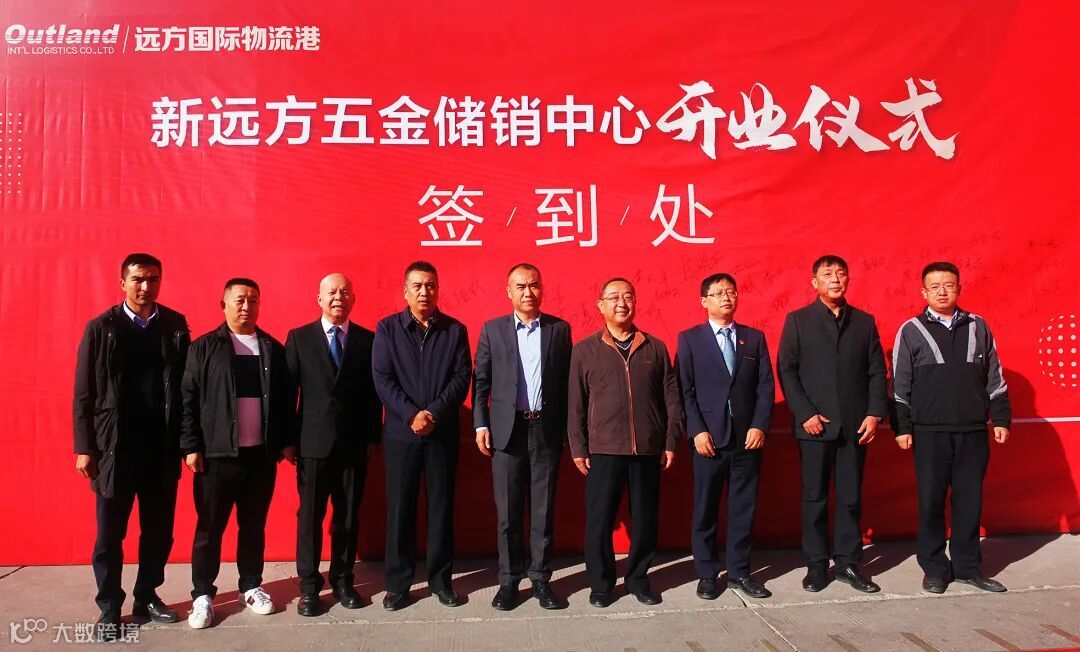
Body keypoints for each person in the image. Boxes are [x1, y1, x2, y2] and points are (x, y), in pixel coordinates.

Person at [73, 253, 189, 639]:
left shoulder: (174, 325)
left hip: (160, 449)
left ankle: (147, 596)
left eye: (153, 279)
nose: (145, 286)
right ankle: (109, 607)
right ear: (123, 282)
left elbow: (187, 389)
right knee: (110, 536)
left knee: (158, 532)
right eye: (138, 279)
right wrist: (84, 446)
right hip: (114, 451)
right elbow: (84, 392)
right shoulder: (102, 328)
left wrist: (188, 442)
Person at [180, 278, 294, 629]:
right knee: (209, 528)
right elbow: (188, 400)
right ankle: (202, 595)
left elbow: (285, 402)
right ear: (224, 304)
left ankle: (251, 586)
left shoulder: (272, 348)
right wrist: (191, 446)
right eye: (240, 300)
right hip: (217, 456)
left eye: (253, 300)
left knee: (253, 526)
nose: (247, 306)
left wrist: (284, 441)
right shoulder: (204, 348)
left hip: (260, 457)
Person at [891, 261, 1011, 594]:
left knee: (969, 501)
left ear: (959, 288)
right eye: (935, 286)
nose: (942, 291)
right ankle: (933, 568)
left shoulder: (978, 325)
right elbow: (899, 384)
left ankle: (967, 567)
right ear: (924, 292)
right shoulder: (911, 330)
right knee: (931, 502)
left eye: (948, 285)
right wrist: (902, 427)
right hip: (929, 432)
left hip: (972, 430)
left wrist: (1001, 418)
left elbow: (995, 377)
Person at [568, 277, 682, 608]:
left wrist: (670, 440)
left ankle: (638, 579)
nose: (622, 303)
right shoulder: (585, 350)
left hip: (647, 448)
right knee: (599, 520)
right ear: (600, 305)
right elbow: (575, 403)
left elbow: (671, 399)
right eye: (614, 297)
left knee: (645, 520)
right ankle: (601, 584)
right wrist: (578, 447)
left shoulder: (654, 347)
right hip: (603, 450)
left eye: (628, 296)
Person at [777, 255, 888, 594]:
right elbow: (787, 370)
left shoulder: (864, 322)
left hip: (855, 425)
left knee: (851, 498)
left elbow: (877, 371)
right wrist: (805, 413)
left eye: (841, 273)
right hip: (815, 427)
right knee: (815, 498)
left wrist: (874, 413)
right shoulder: (798, 320)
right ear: (815, 282)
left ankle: (848, 563)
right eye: (827, 274)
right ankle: (815, 564)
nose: (835, 279)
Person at [373, 261, 471, 610]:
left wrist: (433, 413)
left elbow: (461, 378)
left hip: (441, 433)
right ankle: (398, 585)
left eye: (430, 285)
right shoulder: (388, 329)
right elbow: (382, 379)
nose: (424, 292)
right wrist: (411, 414)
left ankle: (441, 582)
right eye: (417, 286)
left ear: (437, 289)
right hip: (401, 435)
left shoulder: (454, 331)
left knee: (441, 509)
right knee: (400, 510)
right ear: (405, 291)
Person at [473, 263, 572, 611]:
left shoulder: (559, 330)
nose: (528, 292)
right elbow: (481, 381)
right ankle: (509, 581)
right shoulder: (492, 330)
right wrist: (481, 424)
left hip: (546, 430)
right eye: (521, 286)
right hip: (507, 431)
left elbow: (568, 385)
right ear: (508, 292)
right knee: (508, 513)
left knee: (543, 511)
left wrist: (570, 431)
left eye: (534, 285)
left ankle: (541, 579)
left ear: (542, 289)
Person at [286, 273, 382, 616]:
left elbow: (373, 396)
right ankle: (309, 587)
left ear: (353, 299)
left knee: (348, 516)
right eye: (331, 292)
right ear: (319, 299)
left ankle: (343, 580)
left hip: (353, 445)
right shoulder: (299, 338)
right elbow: (288, 394)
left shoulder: (368, 340)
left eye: (344, 292)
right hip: (312, 444)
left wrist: (372, 437)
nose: (338, 297)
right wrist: (287, 441)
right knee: (310, 518)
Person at [676, 273, 775, 601]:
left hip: (747, 440)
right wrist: (697, 430)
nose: (726, 298)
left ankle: (739, 572)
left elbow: (765, 387)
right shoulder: (690, 339)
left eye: (731, 292)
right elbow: (683, 390)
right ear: (704, 301)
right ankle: (707, 573)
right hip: (709, 440)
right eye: (718, 293)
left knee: (743, 509)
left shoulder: (753, 338)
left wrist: (759, 425)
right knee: (705, 509)